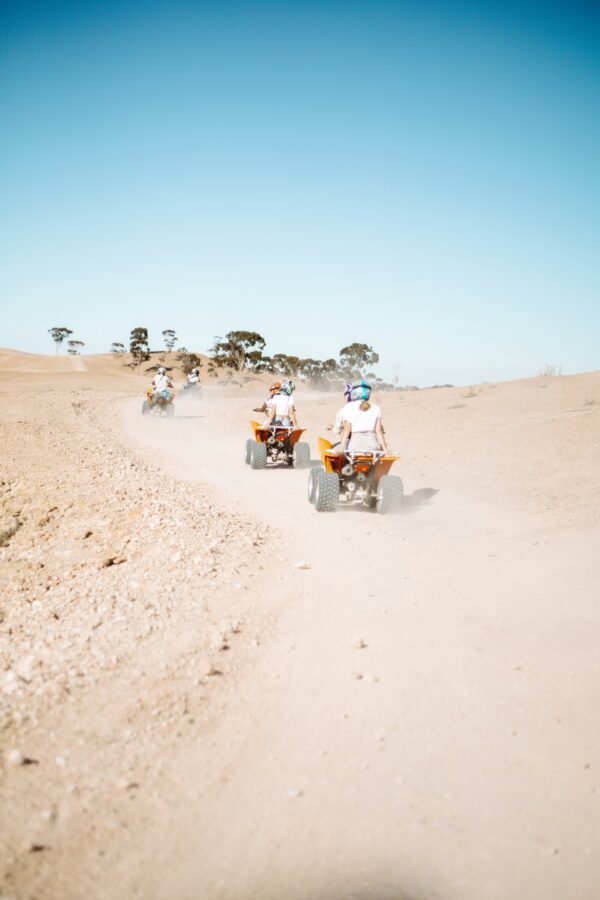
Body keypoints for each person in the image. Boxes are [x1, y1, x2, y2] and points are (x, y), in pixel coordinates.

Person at [338, 380, 388, 453]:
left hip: (354, 446)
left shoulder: (348, 407)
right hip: (372, 446)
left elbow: (347, 430)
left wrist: (340, 449)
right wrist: (385, 449)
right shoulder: (376, 408)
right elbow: (378, 430)